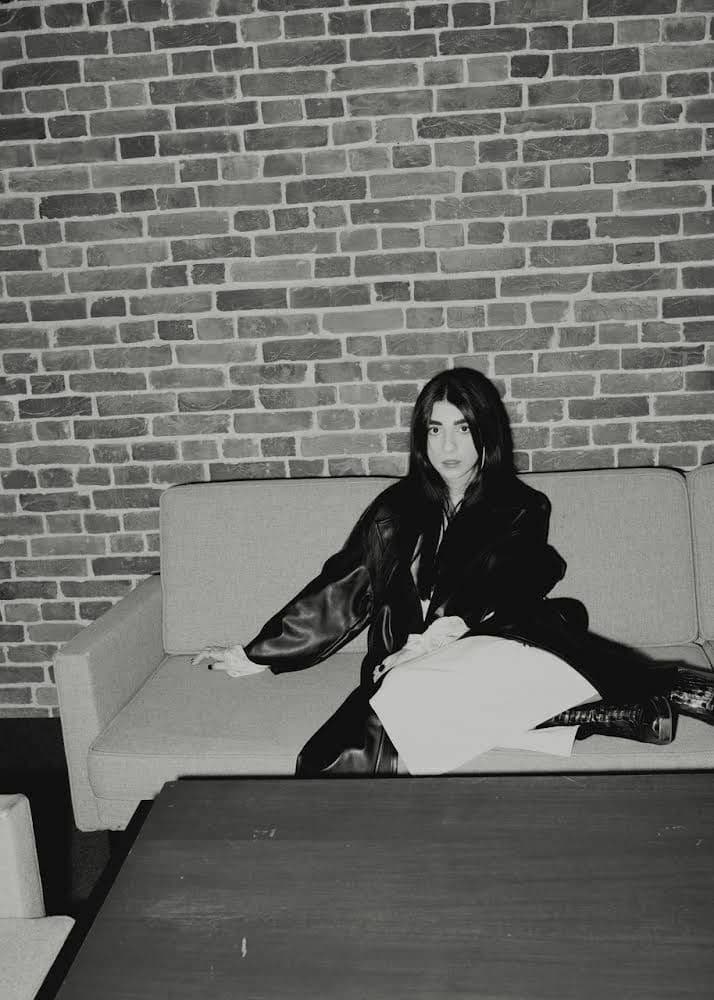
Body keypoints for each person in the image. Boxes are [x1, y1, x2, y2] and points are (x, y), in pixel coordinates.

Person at [193, 368, 714, 776]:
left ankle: (666, 686)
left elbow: (503, 585)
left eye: (463, 429)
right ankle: (603, 713)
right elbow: (345, 585)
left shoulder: (521, 507)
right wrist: (257, 653)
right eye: (435, 430)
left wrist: (439, 636)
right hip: (409, 666)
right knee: (328, 757)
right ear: (421, 439)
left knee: (499, 657)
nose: (448, 447)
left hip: (484, 646)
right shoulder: (394, 509)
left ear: (485, 433)